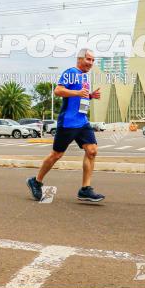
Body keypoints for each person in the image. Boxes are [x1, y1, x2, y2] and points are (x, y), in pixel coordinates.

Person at [26, 48, 104, 203]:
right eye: (88, 59)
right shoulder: (71, 73)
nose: (91, 63)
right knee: (57, 155)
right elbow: (58, 90)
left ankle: (85, 189)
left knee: (92, 150)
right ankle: (36, 181)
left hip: (82, 121)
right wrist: (78, 93)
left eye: (93, 60)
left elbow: (79, 95)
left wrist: (89, 96)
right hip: (68, 122)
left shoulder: (84, 77)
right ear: (80, 59)